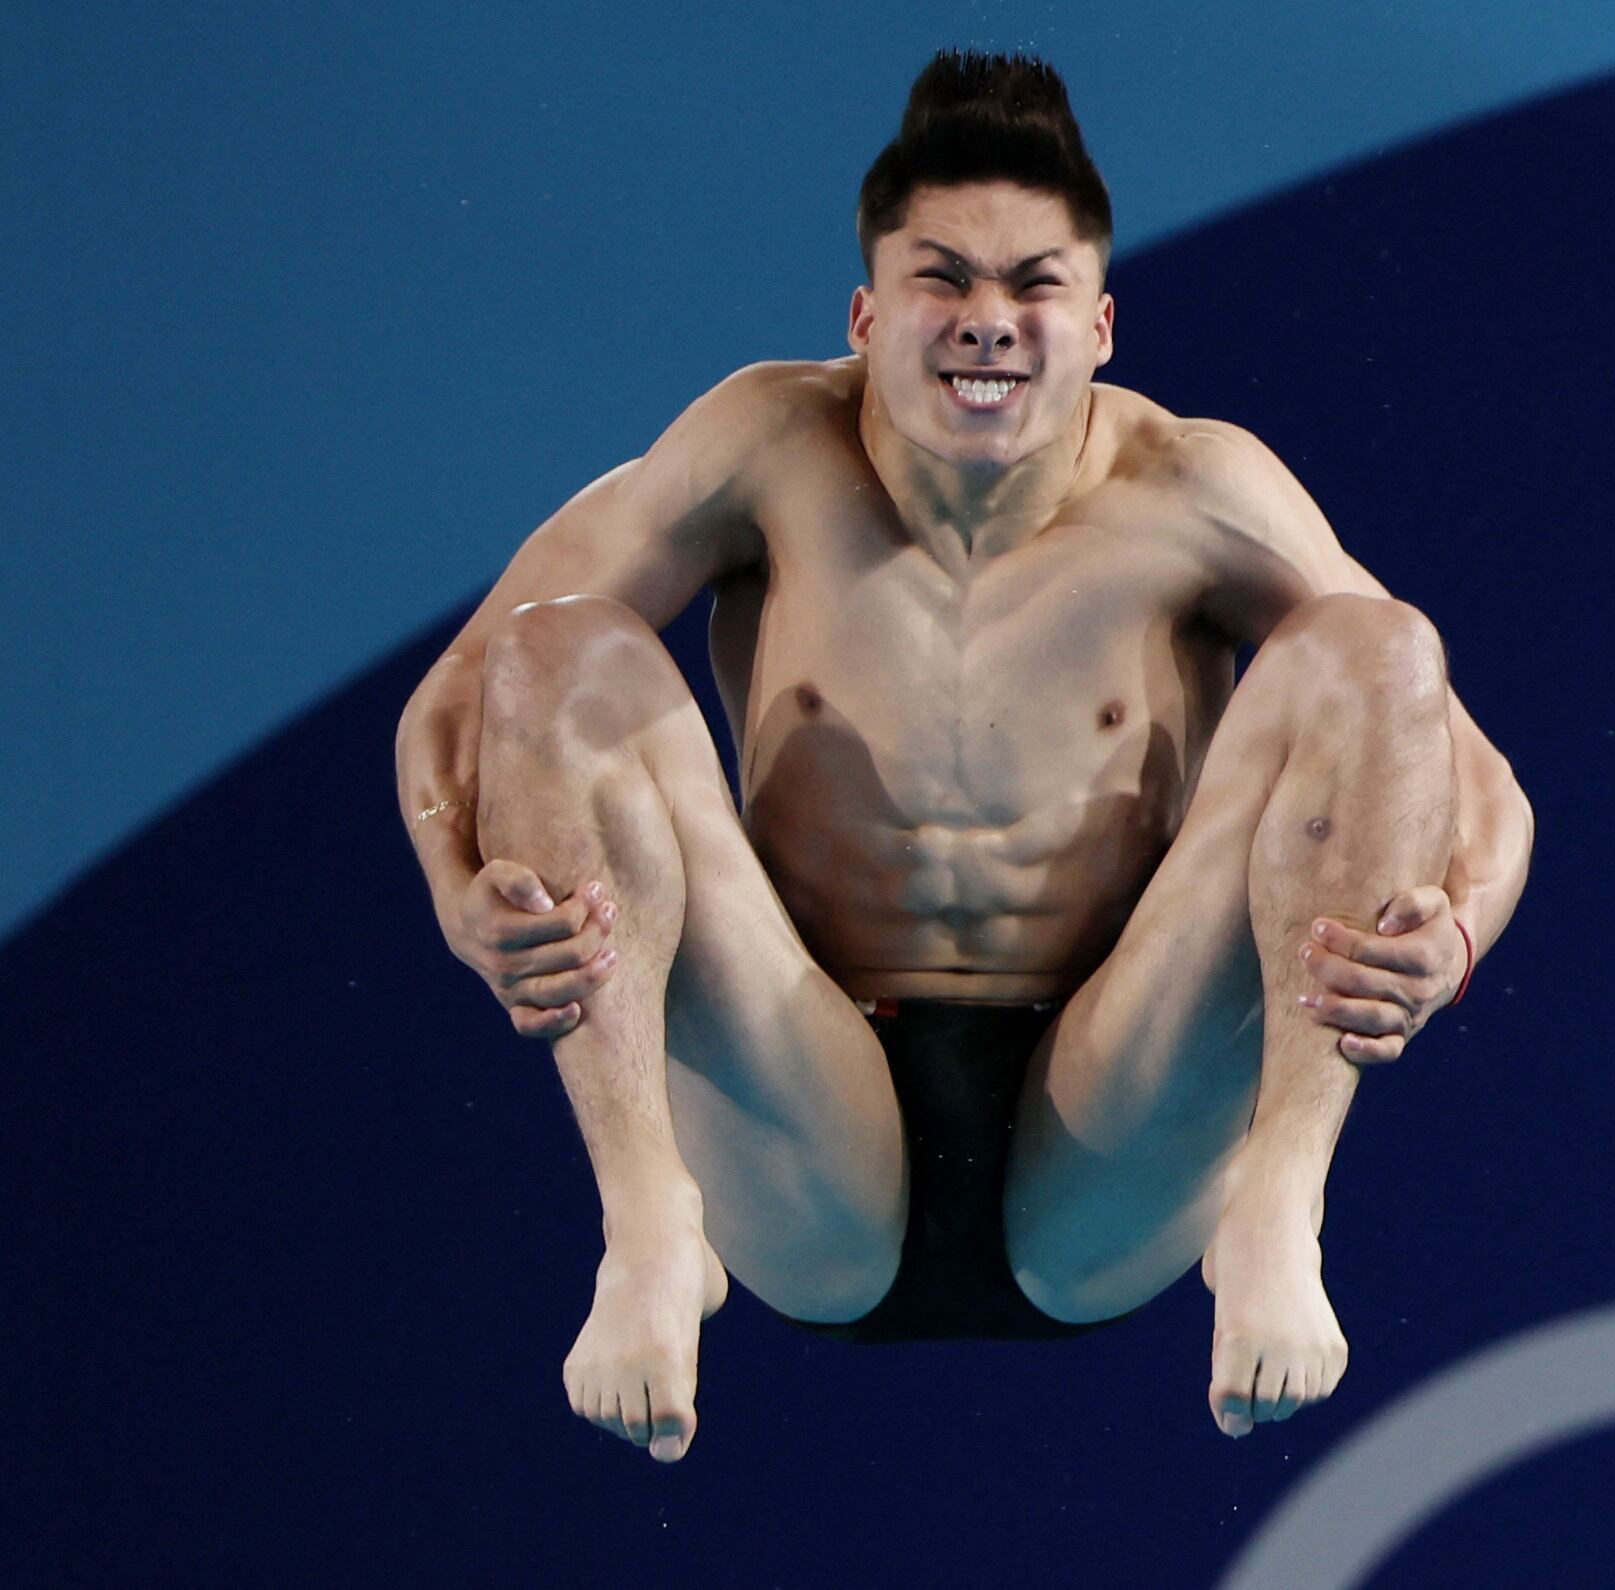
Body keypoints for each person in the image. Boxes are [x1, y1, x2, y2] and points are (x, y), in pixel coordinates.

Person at [394, 49, 1534, 1464]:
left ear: (1100, 321)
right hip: (801, 1112)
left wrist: (1457, 938)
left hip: (1117, 1116)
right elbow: (460, 692)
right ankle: (646, 1224)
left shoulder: (1193, 488)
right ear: (866, 313)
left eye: (1032, 284)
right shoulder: (764, 444)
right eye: (943, 279)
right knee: (556, 648)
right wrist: (460, 900)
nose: (987, 322)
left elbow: (1473, 776)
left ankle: (1276, 1206)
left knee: (1373, 647)